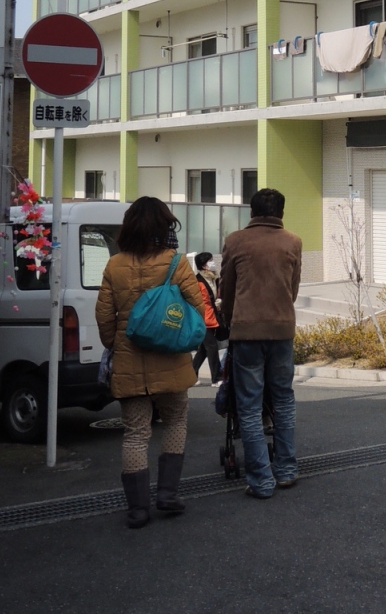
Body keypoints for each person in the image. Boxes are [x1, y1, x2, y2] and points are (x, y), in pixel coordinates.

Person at [95, 197, 206, 529]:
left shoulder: (114, 265)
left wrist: (116, 343)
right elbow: (197, 309)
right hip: (171, 358)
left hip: (129, 360)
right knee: (175, 421)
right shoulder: (176, 263)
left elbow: (104, 317)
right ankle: (167, 494)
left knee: (135, 434)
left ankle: (138, 509)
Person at [220, 188, 301, 499]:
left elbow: (227, 290)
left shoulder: (235, 241)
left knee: (250, 407)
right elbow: (292, 290)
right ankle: (287, 470)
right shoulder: (293, 241)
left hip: (246, 333)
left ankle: (261, 480)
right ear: (281, 213)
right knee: (284, 401)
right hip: (282, 331)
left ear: (251, 213)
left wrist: (232, 318)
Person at [191, 252, 223, 385]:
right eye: (210, 260)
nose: (213, 263)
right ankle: (217, 378)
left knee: (204, 350)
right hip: (203, 319)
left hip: (211, 318)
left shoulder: (213, 279)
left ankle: (191, 375)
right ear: (204, 265)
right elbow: (200, 302)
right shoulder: (198, 281)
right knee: (212, 348)